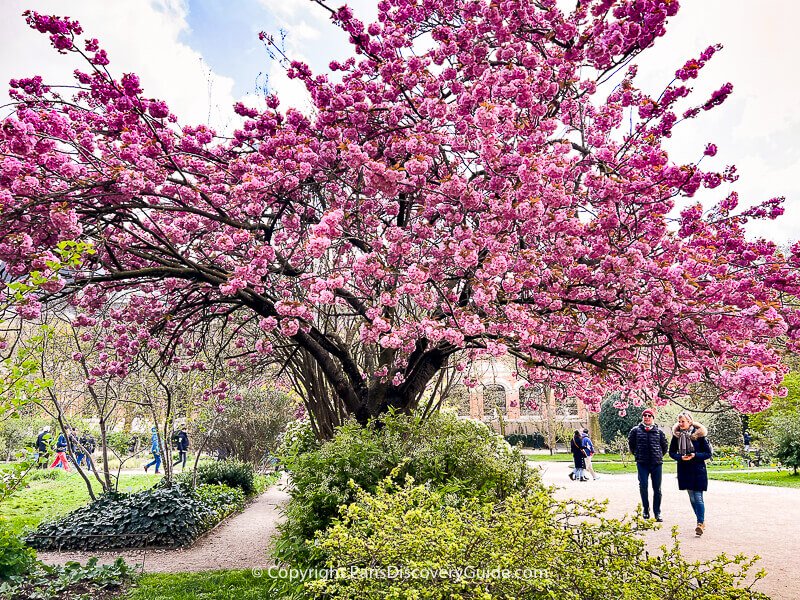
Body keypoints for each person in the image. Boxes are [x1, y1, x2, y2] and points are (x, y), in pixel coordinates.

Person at [669, 411, 712, 536]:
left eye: (683, 421)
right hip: (684, 469)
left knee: (698, 497)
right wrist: (680, 457)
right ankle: (701, 520)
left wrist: (695, 455)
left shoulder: (700, 436)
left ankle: (700, 523)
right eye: (679, 421)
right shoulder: (676, 436)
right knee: (692, 498)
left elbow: (708, 453)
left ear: (690, 422)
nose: (681, 424)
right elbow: (671, 453)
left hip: (698, 469)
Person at [628, 408, 668, 521]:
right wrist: (638, 455)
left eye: (649, 415)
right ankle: (646, 509)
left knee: (657, 489)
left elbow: (664, 447)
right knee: (643, 486)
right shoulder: (635, 431)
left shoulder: (659, 432)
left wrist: (658, 455)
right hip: (642, 463)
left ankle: (657, 512)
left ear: (653, 418)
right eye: (645, 415)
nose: (647, 417)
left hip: (656, 464)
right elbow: (632, 445)